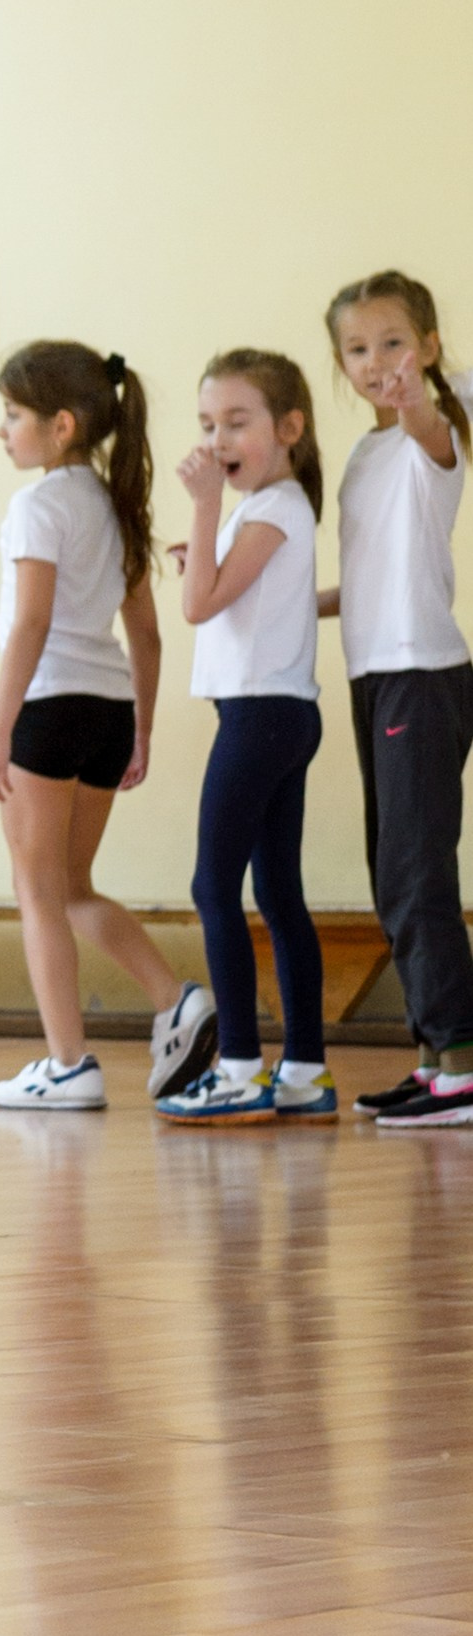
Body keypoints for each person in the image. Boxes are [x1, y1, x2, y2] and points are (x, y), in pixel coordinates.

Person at [0, 339, 215, 1113]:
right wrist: (140, 728)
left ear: (62, 425)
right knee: (73, 886)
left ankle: (67, 1062)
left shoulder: (37, 507)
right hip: (106, 711)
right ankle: (175, 1000)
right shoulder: (117, 505)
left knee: (38, 891)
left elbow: (32, 624)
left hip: (46, 710)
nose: (2, 429)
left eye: (13, 414)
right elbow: (145, 634)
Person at [156, 351, 333, 1123]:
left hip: (260, 717)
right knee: (278, 894)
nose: (216, 438)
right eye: (206, 423)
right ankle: (303, 1071)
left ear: (289, 428)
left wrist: (199, 515)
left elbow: (197, 609)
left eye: (236, 421)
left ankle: (235, 1065)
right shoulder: (275, 507)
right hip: (276, 714)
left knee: (212, 887)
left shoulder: (268, 507)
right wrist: (208, 550)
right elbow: (235, 600)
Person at [322, 269, 473, 1123]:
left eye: (393, 343)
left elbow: (426, 417)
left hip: (423, 670)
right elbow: (373, 574)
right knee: (394, 876)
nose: (376, 363)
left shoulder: (433, 427)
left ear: (427, 347)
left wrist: (420, 394)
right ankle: (434, 1056)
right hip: (375, 671)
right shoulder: (365, 453)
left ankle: (463, 1060)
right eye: (357, 348)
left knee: (418, 875)